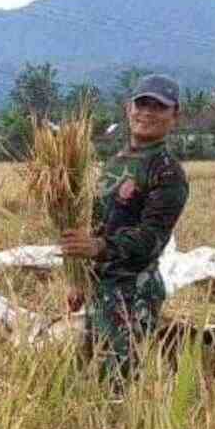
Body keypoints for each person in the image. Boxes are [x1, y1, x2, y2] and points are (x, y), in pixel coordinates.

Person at [60, 74, 190, 389]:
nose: (146, 112)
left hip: (132, 295)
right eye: (141, 103)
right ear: (127, 107)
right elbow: (98, 222)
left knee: (117, 387)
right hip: (101, 288)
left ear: (175, 115)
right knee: (88, 380)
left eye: (158, 107)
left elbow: (151, 239)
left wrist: (97, 247)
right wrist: (79, 279)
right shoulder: (116, 162)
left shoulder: (167, 172)